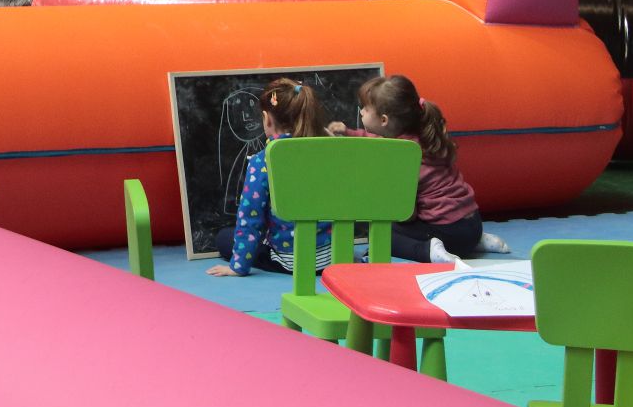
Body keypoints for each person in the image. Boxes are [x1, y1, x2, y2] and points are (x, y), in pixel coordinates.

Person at [325, 74, 510, 264]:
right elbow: (375, 139)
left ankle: (429, 251)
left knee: (381, 234)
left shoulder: (399, 157)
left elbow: (408, 214)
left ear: (384, 120)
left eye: (365, 108)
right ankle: (477, 242)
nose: (361, 112)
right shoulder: (424, 135)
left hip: (450, 233)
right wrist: (348, 132)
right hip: (473, 224)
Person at [205, 78, 335, 277]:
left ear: (267, 119)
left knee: (224, 238)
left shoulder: (263, 160)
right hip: (334, 257)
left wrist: (237, 267)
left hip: (292, 261)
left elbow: (250, 217)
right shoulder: (329, 153)